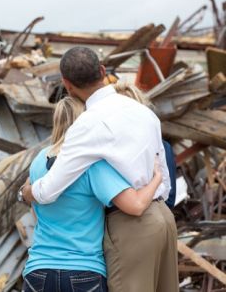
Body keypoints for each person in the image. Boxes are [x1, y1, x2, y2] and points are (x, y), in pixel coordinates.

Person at [21, 47, 178, 292]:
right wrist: (156, 186)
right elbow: (163, 175)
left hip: (130, 223)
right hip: (163, 219)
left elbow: (50, 190)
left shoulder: (87, 124)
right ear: (103, 71)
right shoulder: (144, 113)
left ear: (67, 84)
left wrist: (28, 192)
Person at [113, 81, 177, 209]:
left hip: (135, 220)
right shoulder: (162, 145)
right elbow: (170, 198)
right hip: (158, 215)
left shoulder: (109, 149)